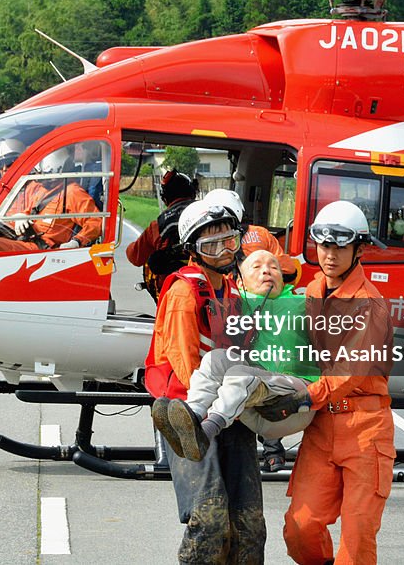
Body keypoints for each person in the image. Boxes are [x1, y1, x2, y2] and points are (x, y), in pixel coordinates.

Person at [143, 200, 265, 564]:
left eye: (229, 241)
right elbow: (185, 365)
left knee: (248, 525)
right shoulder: (184, 293)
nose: (223, 251)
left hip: (231, 414)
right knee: (210, 518)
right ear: (192, 251)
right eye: (211, 245)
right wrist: (218, 407)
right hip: (190, 417)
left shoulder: (233, 293)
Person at [280, 200, 395, 565]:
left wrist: (300, 397)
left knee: (357, 537)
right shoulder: (312, 292)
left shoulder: (370, 306)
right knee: (301, 527)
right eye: (324, 245)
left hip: (365, 429)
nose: (329, 255)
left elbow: (348, 371)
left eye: (340, 246)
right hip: (321, 424)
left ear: (359, 248)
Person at [151, 249, 320, 464]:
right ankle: (191, 418)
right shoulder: (237, 306)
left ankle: (206, 432)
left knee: (239, 373)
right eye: (256, 267)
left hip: (293, 401)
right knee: (217, 358)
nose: (267, 271)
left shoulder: (302, 304)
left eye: (274, 267)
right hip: (252, 404)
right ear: (240, 282)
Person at [202, 188, 298, 470]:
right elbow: (288, 265)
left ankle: (268, 445)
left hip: (243, 305)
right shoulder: (260, 234)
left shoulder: (246, 238)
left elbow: (286, 267)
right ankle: (271, 448)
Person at [0, 146, 102, 253]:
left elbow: (96, 221)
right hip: (26, 237)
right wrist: (21, 215)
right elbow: (32, 210)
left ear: (57, 172)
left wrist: (77, 241)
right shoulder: (43, 189)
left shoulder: (72, 192)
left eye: (44, 176)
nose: (39, 180)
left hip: (40, 248)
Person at [126, 170, 198, 301]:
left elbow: (135, 257)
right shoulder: (206, 214)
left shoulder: (159, 224)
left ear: (164, 197)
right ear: (193, 192)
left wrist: (131, 246)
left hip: (171, 290)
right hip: (210, 286)